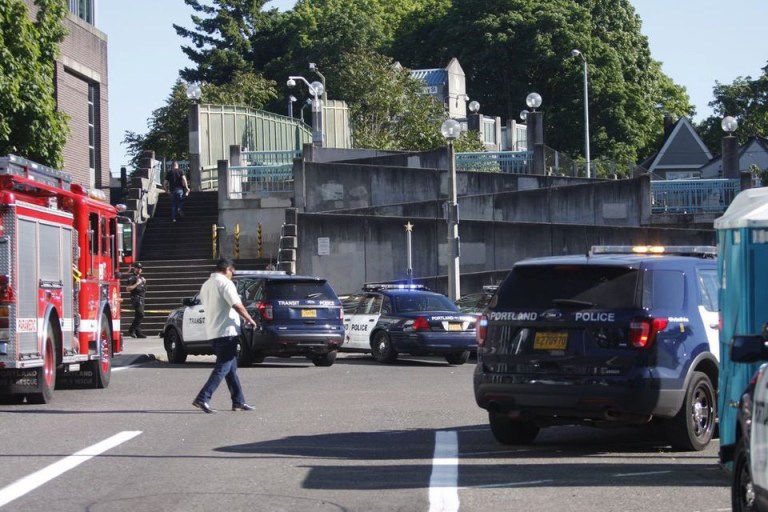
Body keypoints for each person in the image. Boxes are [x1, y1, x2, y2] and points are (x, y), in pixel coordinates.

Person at [192, 258, 257, 414]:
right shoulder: (225, 284)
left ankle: (238, 401)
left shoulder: (206, 284)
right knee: (223, 367)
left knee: (231, 369)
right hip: (227, 331)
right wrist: (249, 318)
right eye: (232, 272)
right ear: (227, 269)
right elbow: (236, 304)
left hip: (213, 331)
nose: (232, 275)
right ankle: (203, 398)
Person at [125, 262, 147, 338]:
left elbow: (143, 289)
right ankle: (131, 330)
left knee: (138, 315)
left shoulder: (141, 278)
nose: (139, 269)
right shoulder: (132, 278)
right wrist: (137, 283)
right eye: (138, 267)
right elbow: (128, 289)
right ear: (135, 268)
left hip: (141, 298)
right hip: (136, 298)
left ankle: (138, 332)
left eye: (141, 268)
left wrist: (144, 282)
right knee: (141, 315)